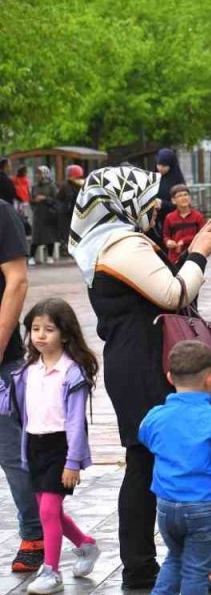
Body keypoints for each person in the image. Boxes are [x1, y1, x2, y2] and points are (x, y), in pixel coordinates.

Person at [68, 166, 211, 592]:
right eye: (147, 199)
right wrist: (199, 252)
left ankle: (179, 566)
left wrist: (184, 257)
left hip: (141, 359)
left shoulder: (112, 241)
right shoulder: (121, 243)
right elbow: (173, 293)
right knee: (153, 458)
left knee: (156, 458)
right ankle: (149, 569)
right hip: (146, 363)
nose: (155, 207)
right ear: (121, 200)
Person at [0, 298, 102, 594]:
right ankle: (85, 544)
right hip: (33, 446)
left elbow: (75, 423)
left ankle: (51, 572)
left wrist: (73, 461)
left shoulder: (72, 373)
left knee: (47, 511)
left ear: (66, 334)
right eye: (35, 329)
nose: (40, 335)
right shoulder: (26, 371)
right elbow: (11, 406)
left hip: (60, 448)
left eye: (49, 329)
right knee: (50, 511)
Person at [139, 341, 211, 595]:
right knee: (196, 569)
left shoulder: (155, 416)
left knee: (175, 558)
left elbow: (145, 438)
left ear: (169, 377)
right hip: (205, 508)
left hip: (167, 506)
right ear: (210, 379)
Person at [0, 197, 39, 574]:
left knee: (12, 453)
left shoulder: (1, 212)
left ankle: (35, 535)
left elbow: (17, 279)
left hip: (2, 360)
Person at [162, 185, 206, 264]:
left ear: (190, 197)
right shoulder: (169, 217)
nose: (183, 198)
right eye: (179, 196)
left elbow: (202, 235)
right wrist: (168, 241)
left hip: (194, 255)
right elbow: (165, 235)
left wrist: (184, 240)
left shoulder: (198, 216)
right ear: (173, 200)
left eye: (185, 194)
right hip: (175, 256)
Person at [154, 148, 187, 239]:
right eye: (158, 164)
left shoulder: (177, 181)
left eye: (164, 166)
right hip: (155, 224)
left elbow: (182, 205)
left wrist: (162, 203)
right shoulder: (154, 178)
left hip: (173, 225)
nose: (160, 168)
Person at [28, 167, 59, 265]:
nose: (38, 175)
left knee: (50, 235)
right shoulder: (34, 186)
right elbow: (31, 200)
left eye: (40, 173)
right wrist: (34, 202)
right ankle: (31, 257)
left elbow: (56, 200)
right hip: (38, 214)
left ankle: (49, 256)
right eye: (37, 173)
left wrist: (45, 198)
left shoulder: (51, 186)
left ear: (45, 174)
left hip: (49, 214)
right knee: (36, 236)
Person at [55, 166, 84, 249]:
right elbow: (59, 199)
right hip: (69, 212)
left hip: (75, 212)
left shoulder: (79, 184)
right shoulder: (66, 185)